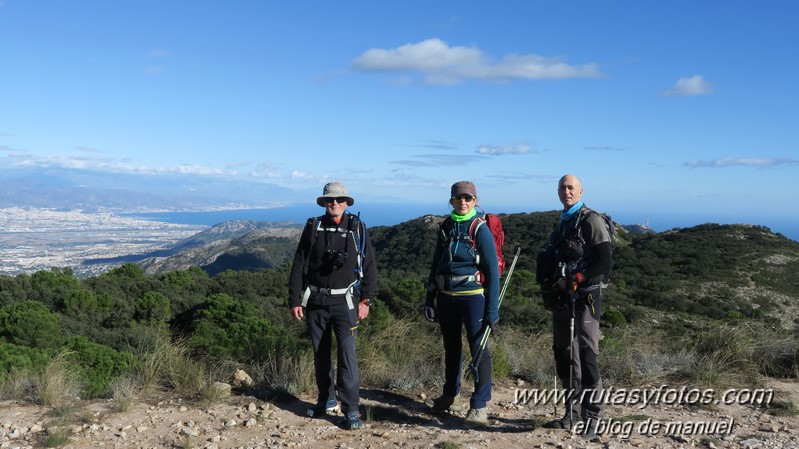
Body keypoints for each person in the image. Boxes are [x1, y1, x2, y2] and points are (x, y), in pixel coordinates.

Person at [288, 181, 378, 431]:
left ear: (347, 202)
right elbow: (298, 263)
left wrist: (366, 299)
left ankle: (350, 409)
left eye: (339, 200)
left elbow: (369, 265)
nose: (335, 203)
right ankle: (325, 400)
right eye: (330, 200)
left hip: (346, 302)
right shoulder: (313, 226)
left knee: (347, 357)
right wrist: (294, 299)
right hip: (316, 302)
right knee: (320, 355)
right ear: (324, 202)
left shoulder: (356, 227)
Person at [535, 174, 612, 441]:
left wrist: (580, 278)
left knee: (587, 355)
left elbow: (605, 261)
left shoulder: (591, 221)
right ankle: (572, 412)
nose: (566, 191)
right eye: (562, 188)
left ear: (580, 192)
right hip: (563, 296)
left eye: (571, 188)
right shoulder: (564, 222)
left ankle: (594, 417)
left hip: (586, 297)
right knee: (565, 354)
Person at [423, 181, 500, 427]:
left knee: (479, 350)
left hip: (473, 295)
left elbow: (492, 271)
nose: (463, 202)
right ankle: (451, 396)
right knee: (451, 348)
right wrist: (429, 297)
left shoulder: (480, 229)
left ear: (475, 201)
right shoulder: (446, 227)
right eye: (458, 199)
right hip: (447, 296)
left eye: (468, 198)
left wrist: (492, 308)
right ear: (452, 201)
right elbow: (436, 264)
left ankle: (479, 405)